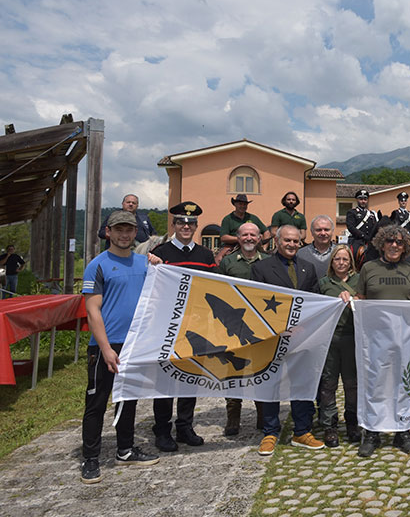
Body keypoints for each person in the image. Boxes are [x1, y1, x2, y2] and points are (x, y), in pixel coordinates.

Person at [79, 210, 158, 484]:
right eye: (119, 230)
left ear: (136, 233)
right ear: (108, 232)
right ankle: (90, 458)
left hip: (135, 343)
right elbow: (93, 311)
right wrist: (105, 348)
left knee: (127, 399)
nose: (124, 235)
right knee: (97, 402)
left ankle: (124, 449)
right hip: (105, 345)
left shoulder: (145, 263)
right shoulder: (97, 265)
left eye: (129, 230)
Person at [148, 202, 217, 452]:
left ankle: (185, 426)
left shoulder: (205, 256)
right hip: (166, 326)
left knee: (189, 377)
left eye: (191, 223)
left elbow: (214, 290)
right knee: (165, 379)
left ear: (196, 227)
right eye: (181, 222)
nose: (186, 226)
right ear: (174, 225)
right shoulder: (160, 253)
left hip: (195, 326)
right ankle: (162, 429)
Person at [354, 224, 410, 457]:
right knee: (375, 384)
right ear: (381, 243)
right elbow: (360, 300)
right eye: (389, 241)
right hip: (374, 341)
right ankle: (372, 432)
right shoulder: (368, 268)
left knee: (404, 385)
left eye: (399, 242)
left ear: (405, 246)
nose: (394, 245)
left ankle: (402, 430)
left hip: (405, 340)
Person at [252, 225, 324, 455]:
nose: (292, 244)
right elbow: (255, 304)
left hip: (302, 337)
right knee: (271, 384)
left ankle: (302, 431)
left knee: (301, 383)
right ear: (277, 241)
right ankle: (270, 432)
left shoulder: (308, 268)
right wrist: (276, 329)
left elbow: (315, 300)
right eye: (288, 241)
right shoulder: (261, 268)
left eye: (296, 241)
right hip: (273, 337)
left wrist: (305, 328)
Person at [216, 222, 269, 437]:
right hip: (233, 327)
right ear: (238, 238)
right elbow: (218, 291)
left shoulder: (268, 261)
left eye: (253, 235)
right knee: (233, 372)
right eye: (245, 234)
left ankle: (263, 416)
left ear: (259, 238)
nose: (249, 238)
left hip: (261, 328)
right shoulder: (227, 263)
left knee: (261, 371)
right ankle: (233, 418)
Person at [316, 245, 360, 447]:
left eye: (345, 259)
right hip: (330, 339)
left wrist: (358, 299)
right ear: (331, 262)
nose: (341, 263)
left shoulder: (359, 281)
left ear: (350, 261)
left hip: (353, 337)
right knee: (328, 384)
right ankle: (329, 424)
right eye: (337, 259)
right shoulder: (324, 283)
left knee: (352, 384)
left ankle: (352, 421)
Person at [345, 189, 380, 258]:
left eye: (365, 199)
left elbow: (375, 227)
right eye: (361, 199)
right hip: (357, 240)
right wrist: (363, 236)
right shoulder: (352, 212)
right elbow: (351, 227)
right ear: (357, 200)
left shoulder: (372, 214)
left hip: (370, 240)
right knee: (354, 253)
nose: (363, 201)